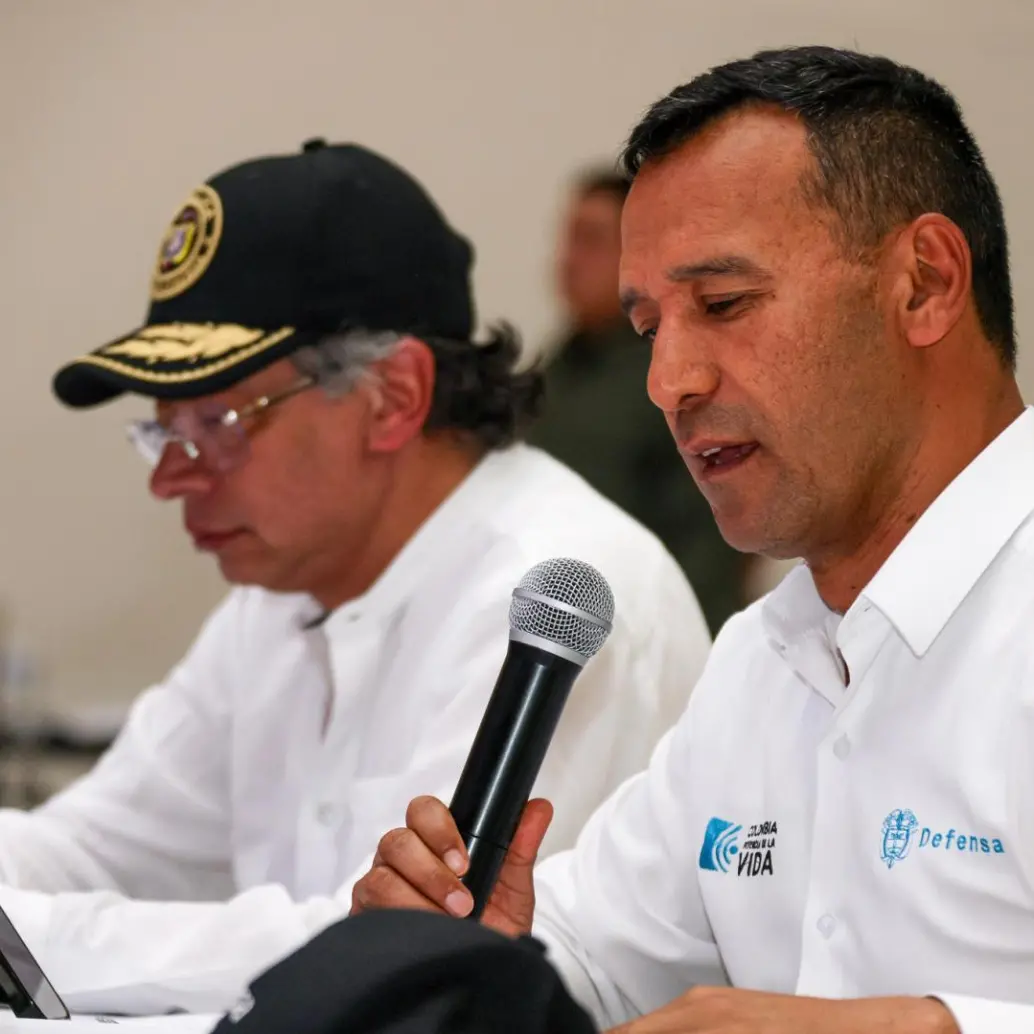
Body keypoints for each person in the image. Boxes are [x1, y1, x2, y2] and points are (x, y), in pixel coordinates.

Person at [353, 45, 1034, 1033]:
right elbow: (598, 957)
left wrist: (923, 1027)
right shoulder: (760, 660)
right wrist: (482, 961)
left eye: (721, 305)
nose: (667, 379)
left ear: (924, 283)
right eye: (646, 327)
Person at [0, 140, 712, 1016]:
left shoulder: (553, 600)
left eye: (218, 421)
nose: (170, 476)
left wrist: (38, 942)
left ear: (393, 397)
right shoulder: (281, 590)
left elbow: (397, 959)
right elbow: (91, 842)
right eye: (162, 431)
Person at [528, 169, 746, 634]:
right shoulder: (552, 375)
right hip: (557, 632)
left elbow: (708, 533)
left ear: (635, 256)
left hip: (647, 640)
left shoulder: (672, 380)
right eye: (567, 240)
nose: (568, 260)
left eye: (589, 240)